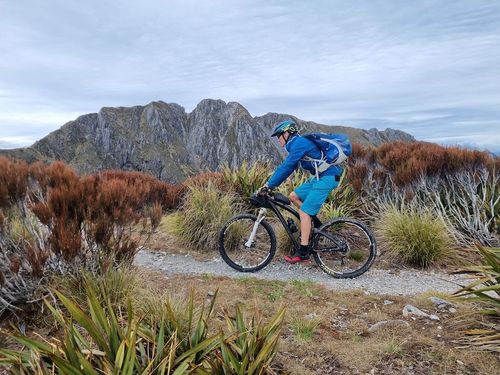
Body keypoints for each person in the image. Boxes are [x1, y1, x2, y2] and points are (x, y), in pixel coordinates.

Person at [259, 119, 343, 264]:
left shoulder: (298, 143)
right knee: (293, 196)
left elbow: (287, 166)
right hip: (318, 177)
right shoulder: (296, 144)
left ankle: (303, 252)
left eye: (279, 135)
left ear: (287, 133)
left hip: (327, 178)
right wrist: (271, 184)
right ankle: (315, 224)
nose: (278, 139)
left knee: (304, 212)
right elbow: (290, 168)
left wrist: (269, 185)